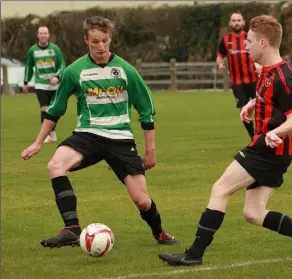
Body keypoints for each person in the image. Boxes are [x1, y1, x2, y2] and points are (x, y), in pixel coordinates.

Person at [159, 15, 292, 266]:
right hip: (272, 151)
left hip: (268, 150)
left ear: (263, 43)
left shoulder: (283, 77)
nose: (245, 46)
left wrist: (275, 133)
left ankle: (193, 254)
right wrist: (251, 104)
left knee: (220, 189)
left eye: (249, 41)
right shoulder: (267, 70)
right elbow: (266, 96)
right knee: (253, 213)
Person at [21, 16, 179, 248]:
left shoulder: (126, 70)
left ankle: (160, 233)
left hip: (121, 139)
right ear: (86, 40)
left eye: (105, 40)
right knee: (55, 165)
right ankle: (72, 229)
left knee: (142, 201)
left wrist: (150, 151)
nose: (101, 46)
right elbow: (55, 110)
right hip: (88, 135)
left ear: (110, 38)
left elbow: (146, 111)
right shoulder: (75, 71)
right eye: (95, 41)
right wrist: (37, 142)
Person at [217, 12, 262, 139]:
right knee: (245, 111)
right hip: (237, 82)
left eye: (239, 20)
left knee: (260, 108)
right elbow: (220, 55)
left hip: (254, 79)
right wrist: (220, 64)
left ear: (243, 22)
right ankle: (254, 138)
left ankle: (261, 134)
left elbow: (260, 53)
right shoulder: (225, 40)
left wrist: (260, 65)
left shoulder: (251, 37)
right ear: (230, 23)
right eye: (234, 20)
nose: (236, 22)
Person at [23, 26, 65, 143]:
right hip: (40, 84)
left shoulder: (55, 49)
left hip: (54, 85)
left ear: (48, 35)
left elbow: (62, 65)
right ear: (37, 35)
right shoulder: (33, 50)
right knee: (44, 108)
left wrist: (57, 77)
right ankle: (45, 135)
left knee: (54, 110)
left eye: (45, 33)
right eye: (41, 33)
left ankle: (52, 133)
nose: (43, 35)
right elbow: (28, 66)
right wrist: (26, 82)